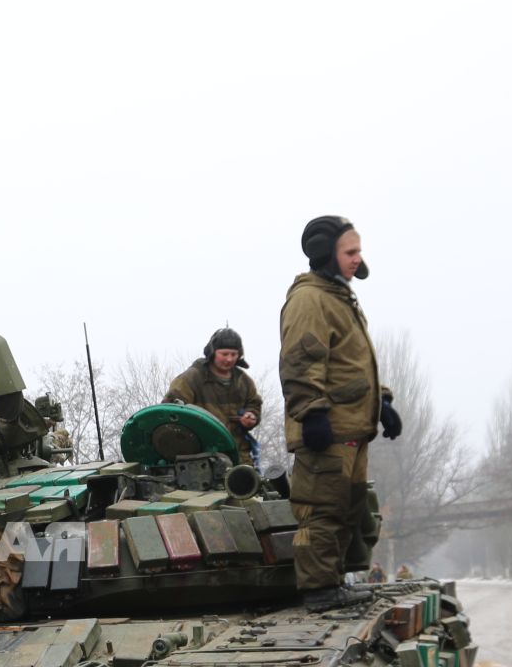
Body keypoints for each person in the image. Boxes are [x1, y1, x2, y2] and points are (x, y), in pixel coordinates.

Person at [279, 216, 401, 610]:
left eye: (359, 251)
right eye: (350, 252)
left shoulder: (339, 296)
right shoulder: (309, 299)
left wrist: (381, 402)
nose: (357, 259)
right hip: (327, 428)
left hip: (350, 427)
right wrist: (311, 413)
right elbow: (301, 361)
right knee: (322, 511)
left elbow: (353, 362)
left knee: (348, 508)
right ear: (326, 253)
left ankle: (333, 582)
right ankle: (319, 589)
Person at [166, 327, 263, 466]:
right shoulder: (192, 378)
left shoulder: (244, 381)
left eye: (233, 354)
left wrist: (251, 415)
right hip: (201, 456)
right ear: (212, 352)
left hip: (238, 455)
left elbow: (254, 403)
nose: (229, 359)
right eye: (224, 354)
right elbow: (172, 408)